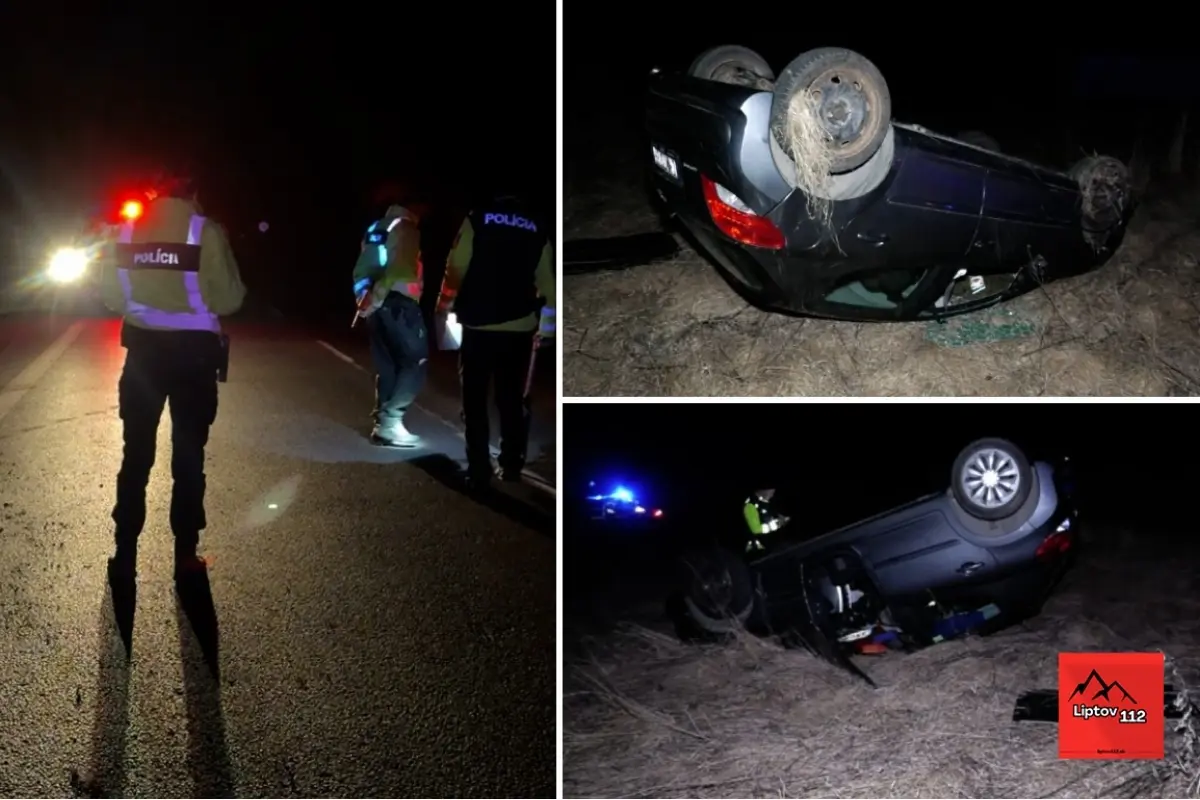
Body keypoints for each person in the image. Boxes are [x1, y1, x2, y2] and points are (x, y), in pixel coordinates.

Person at [98, 172, 246, 581]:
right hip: (194, 359)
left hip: (143, 355)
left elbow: (110, 295)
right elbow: (231, 298)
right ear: (194, 191)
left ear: (153, 191)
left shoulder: (126, 231)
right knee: (188, 456)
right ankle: (185, 554)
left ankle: (124, 550)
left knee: (136, 456)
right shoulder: (205, 232)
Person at [437, 192, 556, 490]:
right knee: (512, 400)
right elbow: (548, 282)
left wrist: (444, 304)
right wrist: (549, 330)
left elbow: (456, 267)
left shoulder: (477, 219)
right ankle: (511, 465)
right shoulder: (536, 225)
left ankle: (478, 469)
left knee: (474, 401)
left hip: (479, 326)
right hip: (520, 328)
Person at [352, 202, 427, 447]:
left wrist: (366, 301)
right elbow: (399, 270)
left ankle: (383, 427)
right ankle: (391, 421)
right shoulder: (406, 227)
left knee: (387, 366)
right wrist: (378, 298)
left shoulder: (376, 227)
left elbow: (361, 270)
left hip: (374, 305)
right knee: (416, 362)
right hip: (399, 304)